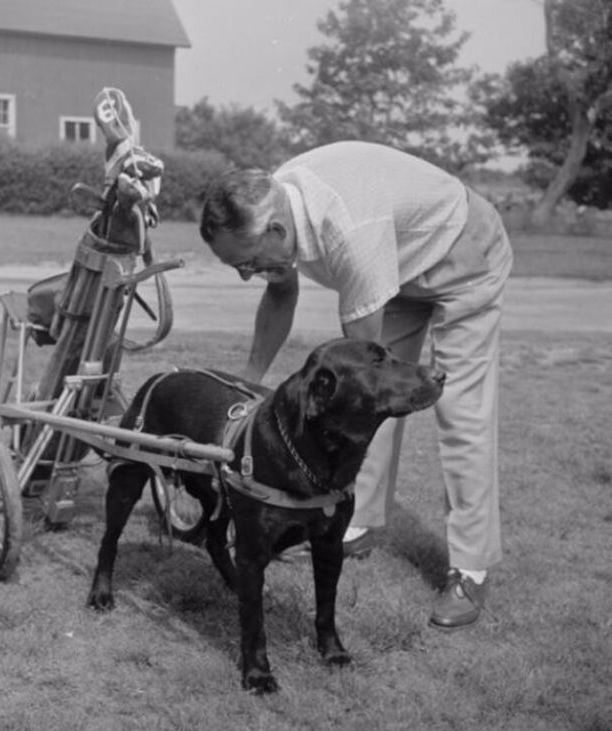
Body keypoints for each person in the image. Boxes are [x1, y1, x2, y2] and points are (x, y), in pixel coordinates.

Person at [199, 141, 513, 630]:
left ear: (277, 232)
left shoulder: (349, 233)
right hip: (402, 262)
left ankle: (471, 568)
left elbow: (363, 383)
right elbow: (281, 292)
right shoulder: (274, 202)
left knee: (457, 411)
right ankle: (357, 523)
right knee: (369, 409)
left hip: (463, 251)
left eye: (250, 263)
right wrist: (248, 384)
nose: (247, 275)